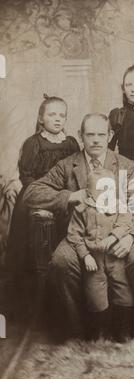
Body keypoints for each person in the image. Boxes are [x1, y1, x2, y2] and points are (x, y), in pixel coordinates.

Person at [23, 113, 134, 341]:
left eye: (101, 134)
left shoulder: (125, 165)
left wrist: (130, 237)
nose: (95, 140)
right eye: (90, 134)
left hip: (123, 231)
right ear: (80, 136)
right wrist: (72, 195)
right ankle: (79, 330)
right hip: (82, 234)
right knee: (61, 262)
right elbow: (32, 192)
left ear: (110, 136)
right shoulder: (67, 165)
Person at [6, 94, 79, 314]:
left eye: (62, 115)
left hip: (65, 197)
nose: (57, 119)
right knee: (33, 248)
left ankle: (63, 299)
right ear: (41, 118)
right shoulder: (33, 143)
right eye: (52, 114)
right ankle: (32, 303)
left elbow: (75, 172)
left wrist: (66, 196)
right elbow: (27, 177)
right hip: (36, 199)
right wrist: (45, 200)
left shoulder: (71, 143)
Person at [67, 169, 133, 342]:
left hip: (115, 258)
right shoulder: (82, 210)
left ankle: (122, 330)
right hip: (94, 260)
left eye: (110, 190)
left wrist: (113, 237)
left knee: (123, 291)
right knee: (95, 293)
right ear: (89, 193)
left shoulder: (119, 206)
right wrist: (85, 256)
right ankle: (99, 331)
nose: (106, 195)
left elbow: (126, 224)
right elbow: (74, 235)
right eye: (101, 190)